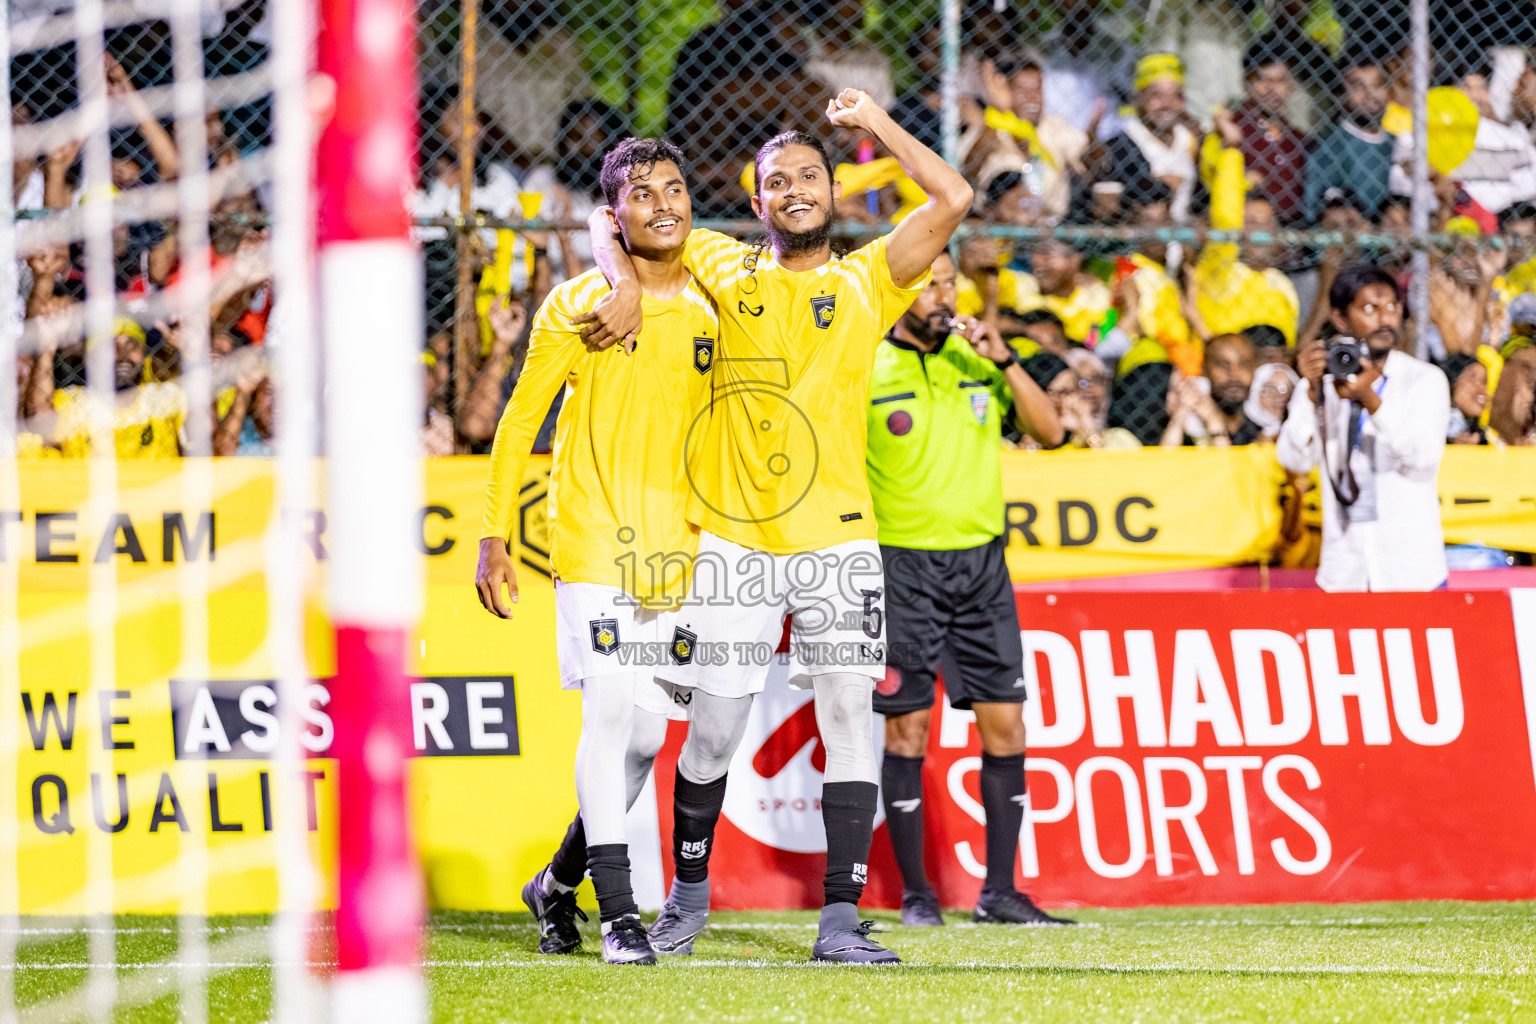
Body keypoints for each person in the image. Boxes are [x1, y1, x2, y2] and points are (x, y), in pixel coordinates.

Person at [585, 90, 972, 964]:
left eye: (808, 175)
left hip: (839, 540)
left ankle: (838, 921)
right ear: (755, 203)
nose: (794, 189)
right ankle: (686, 898)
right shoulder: (722, 264)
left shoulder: (872, 277)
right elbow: (610, 222)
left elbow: (952, 198)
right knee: (714, 734)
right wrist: (619, 284)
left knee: (848, 719)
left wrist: (873, 123)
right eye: (776, 181)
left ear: (832, 191)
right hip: (735, 543)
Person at [475, 138, 718, 966]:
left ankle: (555, 882)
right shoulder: (579, 305)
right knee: (611, 716)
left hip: (677, 550)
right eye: (643, 194)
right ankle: (620, 917)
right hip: (590, 539)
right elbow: (517, 423)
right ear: (618, 217)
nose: (665, 205)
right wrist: (492, 532)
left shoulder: (719, 298)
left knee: (649, 742)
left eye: (676, 189)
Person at [864, 250, 1068, 926]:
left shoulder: (978, 359)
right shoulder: (867, 367)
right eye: (933, 283)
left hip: (983, 569)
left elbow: (1052, 431)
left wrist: (1006, 357)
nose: (947, 294)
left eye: (952, 281)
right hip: (903, 571)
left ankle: (1000, 892)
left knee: (1006, 728)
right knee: (908, 734)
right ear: (900, 293)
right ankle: (919, 895)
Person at [1277, 265, 1450, 591]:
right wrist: (1311, 393)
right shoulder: (1321, 384)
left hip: (1411, 571)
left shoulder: (1424, 380)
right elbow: (1294, 461)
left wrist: (1370, 399)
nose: (1385, 319)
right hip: (1345, 571)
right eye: (1370, 308)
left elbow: (1424, 458)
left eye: (1392, 307)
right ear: (1340, 319)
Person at [1087, 54, 1199, 222]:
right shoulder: (1123, 141)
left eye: (1176, 95)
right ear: (1138, 99)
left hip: (1184, 236)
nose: (1167, 104)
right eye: (1157, 95)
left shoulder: (1188, 138)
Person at [1304, 48, 1395, 224]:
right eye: (1358, 86)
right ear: (1339, 93)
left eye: (1378, 85)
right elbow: (1316, 207)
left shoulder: (1397, 143)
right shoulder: (1328, 144)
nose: (1370, 95)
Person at [1231, 36, 1309, 226]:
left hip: (1292, 238)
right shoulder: (1231, 130)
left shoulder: (1300, 140)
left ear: (1290, 87)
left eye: (1281, 81)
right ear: (1246, 83)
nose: (1272, 90)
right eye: (1263, 80)